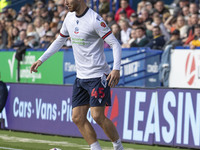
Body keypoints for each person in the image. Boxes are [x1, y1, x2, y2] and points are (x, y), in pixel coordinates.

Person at [30, 0, 123, 150]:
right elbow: (60, 40)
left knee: (97, 116)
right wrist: (41, 59)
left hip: (98, 76)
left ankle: (118, 147)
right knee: (77, 117)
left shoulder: (95, 20)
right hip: (81, 77)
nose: (66, 3)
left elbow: (115, 44)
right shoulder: (69, 17)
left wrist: (116, 69)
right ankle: (95, 148)